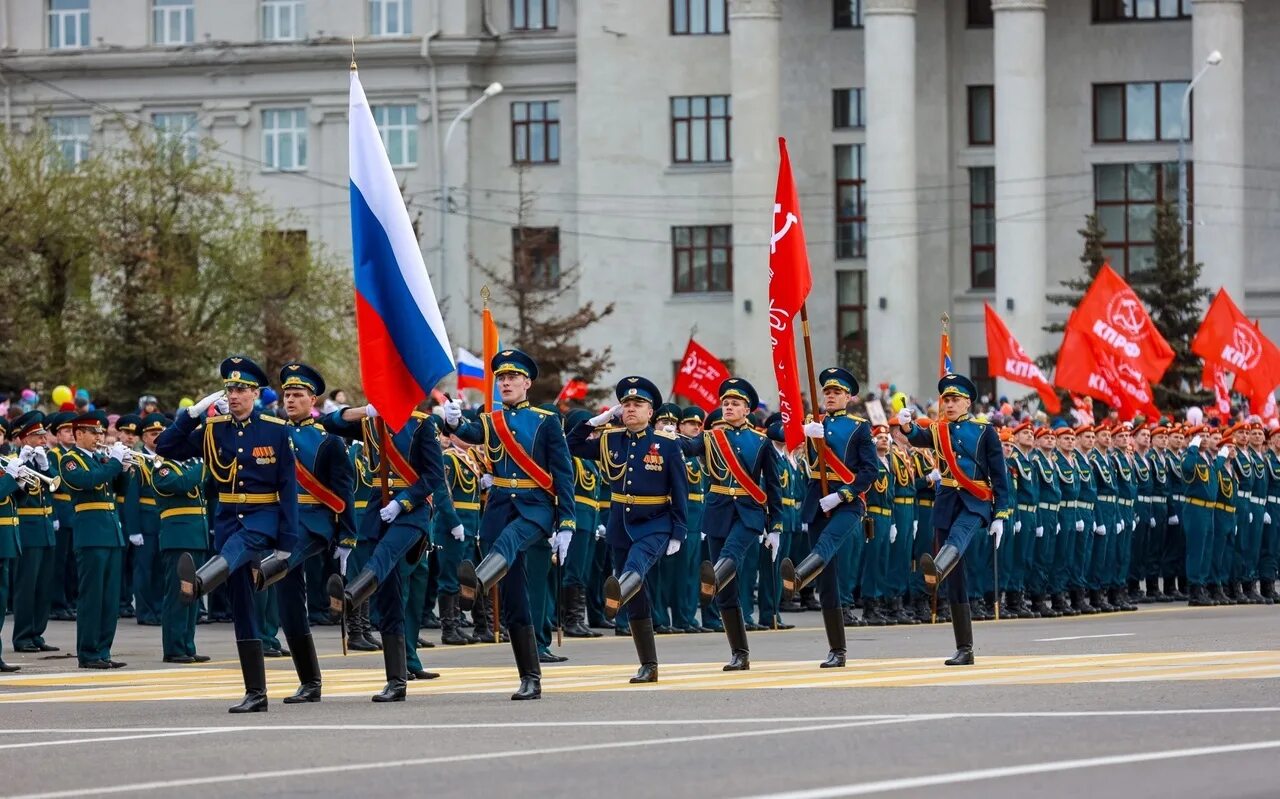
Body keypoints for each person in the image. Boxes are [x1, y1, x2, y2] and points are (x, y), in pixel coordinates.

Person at [156, 356, 299, 713]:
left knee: (239, 545)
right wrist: (191, 414)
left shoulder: (274, 428)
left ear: (255, 392)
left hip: (263, 517)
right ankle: (256, 692)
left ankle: (201, 583)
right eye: (229, 389)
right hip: (228, 518)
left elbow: (289, 488)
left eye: (240, 389)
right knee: (243, 606)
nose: (233, 395)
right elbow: (166, 447)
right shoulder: (213, 428)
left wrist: (287, 543)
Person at [442, 350, 575, 701]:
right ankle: (530, 677)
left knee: (512, 538)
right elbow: (470, 433)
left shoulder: (546, 421)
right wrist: (454, 422)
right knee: (516, 601)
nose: (506, 383)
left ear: (527, 383)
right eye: (501, 378)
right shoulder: (491, 419)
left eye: (512, 378)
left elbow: (563, 473)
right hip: (500, 507)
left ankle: (480, 580)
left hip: (535, 509)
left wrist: (567, 522)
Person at [566, 376, 687, 683]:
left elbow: (680, 490)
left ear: (651, 412)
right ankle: (649, 663)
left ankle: (614, 594)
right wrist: (598, 420)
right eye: (627, 404)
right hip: (621, 525)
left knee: (633, 570)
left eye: (639, 405)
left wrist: (679, 531)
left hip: (656, 523)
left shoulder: (667, 445)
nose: (631, 409)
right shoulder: (610, 439)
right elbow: (572, 444)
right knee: (637, 594)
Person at [323, 398, 444, 700]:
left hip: (411, 512)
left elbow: (433, 476)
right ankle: (396, 681)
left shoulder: (421, 425)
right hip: (379, 512)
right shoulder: (371, 422)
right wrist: (365, 411)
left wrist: (402, 501)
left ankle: (350, 597)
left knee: (385, 555)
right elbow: (329, 422)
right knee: (390, 595)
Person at [258, 362, 357, 703]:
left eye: (297, 394)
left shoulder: (327, 441)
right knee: (288, 609)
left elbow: (344, 491)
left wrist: (347, 537)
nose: (290, 400)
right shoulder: (273, 434)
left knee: (279, 561)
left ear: (312, 399)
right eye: (287, 394)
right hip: (281, 522)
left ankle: (259, 573)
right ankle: (310, 682)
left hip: (314, 523)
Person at [899, 373, 1011, 667]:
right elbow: (918, 437)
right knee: (957, 581)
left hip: (975, 501)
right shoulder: (938, 430)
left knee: (957, 539)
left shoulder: (985, 431)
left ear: (967, 403)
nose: (948, 404)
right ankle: (965, 648)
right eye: (945, 400)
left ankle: (936, 567)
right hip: (947, 502)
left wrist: (1001, 514)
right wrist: (907, 424)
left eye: (954, 400)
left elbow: (1000, 476)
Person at [679, 378, 782, 671]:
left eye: (735, 403)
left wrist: (775, 525)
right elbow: (686, 448)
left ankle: (710, 578)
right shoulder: (711, 437)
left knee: (731, 556)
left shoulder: (760, 442)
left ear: (747, 409)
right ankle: (740, 652)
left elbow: (774, 487)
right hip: (717, 513)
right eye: (725, 403)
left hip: (749, 515)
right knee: (726, 589)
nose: (729, 407)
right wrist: (663, 436)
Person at [779, 366, 877, 668]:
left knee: (829, 542)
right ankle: (837, 650)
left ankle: (798, 575)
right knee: (828, 583)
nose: (831, 396)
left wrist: (844, 494)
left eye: (837, 392)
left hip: (846, 503)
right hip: (816, 502)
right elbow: (784, 441)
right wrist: (804, 434)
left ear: (848, 397)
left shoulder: (859, 427)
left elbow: (869, 471)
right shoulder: (811, 424)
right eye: (828, 392)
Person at [60, 410, 131, 669]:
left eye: (101, 432)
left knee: (110, 597)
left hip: (111, 532)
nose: (99, 436)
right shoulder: (70, 460)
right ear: (79, 434)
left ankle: (103, 650)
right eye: (93, 432)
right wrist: (113, 463)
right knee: (92, 596)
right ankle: (88, 653)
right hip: (90, 535)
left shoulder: (102, 458)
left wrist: (123, 468)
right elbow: (87, 481)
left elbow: (121, 489)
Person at [150, 417, 211, 664]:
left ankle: (187, 645)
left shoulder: (188, 465)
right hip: (178, 538)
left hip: (196, 536)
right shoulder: (163, 468)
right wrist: (201, 462)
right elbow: (184, 483)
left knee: (193, 594)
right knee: (177, 594)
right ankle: (174, 648)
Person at [10, 412, 59, 656]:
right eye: (35, 436)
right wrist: (25, 462)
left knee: (43, 585)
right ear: (21, 439)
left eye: (42, 435)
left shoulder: (44, 460)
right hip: (27, 529)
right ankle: (22, 636)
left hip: (45, 527)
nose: (42, 440)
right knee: (26, 586)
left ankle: (37, 632)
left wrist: (44, 466)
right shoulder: (14, 461)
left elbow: (52, 489)